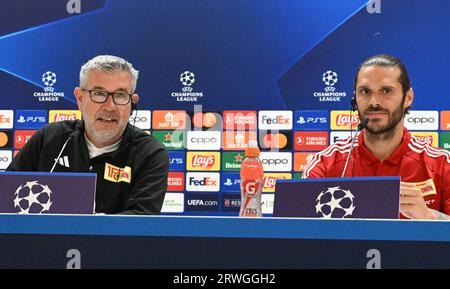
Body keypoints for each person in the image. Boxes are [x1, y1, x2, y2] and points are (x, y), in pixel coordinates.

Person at [7, 55, 169, 215]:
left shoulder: (150, 153)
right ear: (80, 98)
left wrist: (89, 227)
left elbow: (142, 220)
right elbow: (7, 197)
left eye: (120, 95)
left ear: (132, 102)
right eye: (99, 93)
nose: (110, 106)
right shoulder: (49, 138)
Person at [303, 54, 450, 220]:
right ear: (355, 99)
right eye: (365, 92)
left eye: (386, 91)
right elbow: (297, 235)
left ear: (408, 98)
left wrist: (429, 218)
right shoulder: (324, 165)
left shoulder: (442, 165)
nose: (374, 102)